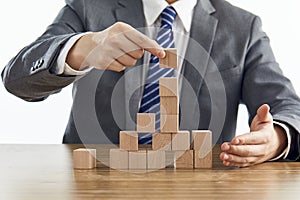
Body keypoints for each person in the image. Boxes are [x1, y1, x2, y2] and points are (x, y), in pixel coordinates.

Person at [2, 0, 300, 167]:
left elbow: (286, 105)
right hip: (95, 181)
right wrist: (83, 47)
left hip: (199, 183)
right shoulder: (88, 7)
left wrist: (276, 138)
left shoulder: (242, 26)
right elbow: (16, 79)